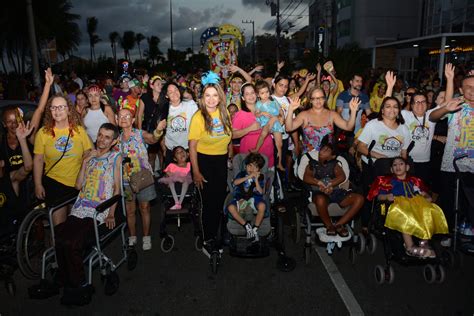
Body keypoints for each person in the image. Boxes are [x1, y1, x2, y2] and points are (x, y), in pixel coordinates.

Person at [30, 123, 122, 305]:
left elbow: (118, 189)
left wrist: (111, 213)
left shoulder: (116, 158)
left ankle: (78, 284)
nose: (102, 140)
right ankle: (66, 280)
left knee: (72, 242)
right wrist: (86, 161)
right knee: (61, 239)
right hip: (80, 207)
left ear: (114, 141)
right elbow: (78, 186)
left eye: (107, 137)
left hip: (99, 210)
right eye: (100, 135)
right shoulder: (89, 157)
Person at [367, 157, 448, 258]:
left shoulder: (414, 181)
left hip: (415, 204)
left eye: (401, 164)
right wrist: (387, 196)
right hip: (398, 206)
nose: (398, 167)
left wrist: (427, 197)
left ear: (407, 167)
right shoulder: (388, 182)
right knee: (406, 216)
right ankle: (409, 247)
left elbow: (423, 193)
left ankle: (423, 243)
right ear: (391, 170)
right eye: (394, 165)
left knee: (429, 211)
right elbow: (379, 196)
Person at [33, 89, 93, 225]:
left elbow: (90, 153)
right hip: (55, 183)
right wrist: (37, 184)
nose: (57, 110)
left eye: (61, 107)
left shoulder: (79, 131)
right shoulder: (43, 133)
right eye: (53, 107)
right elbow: (38, 160)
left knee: (75, 226)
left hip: (78, 184)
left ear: (68, 110)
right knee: (59, 226)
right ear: (50, 111)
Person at [188, 71, 232, 256]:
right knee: (208, 203)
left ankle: (218, 235)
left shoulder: (225, 112)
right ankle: (207, 239)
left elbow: (228, 137)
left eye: (215, 95)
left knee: (220, 200)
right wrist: (196, 172)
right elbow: (192, 146)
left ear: (220, 96)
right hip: (204, 161)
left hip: (220, 161)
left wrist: (229, 158)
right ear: (202, 97)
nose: (211, 99)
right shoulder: (199, 117)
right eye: (208, 95)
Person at [429, 74, 474, 243]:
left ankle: (467, 229)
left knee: (469, 203)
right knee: (449, 202)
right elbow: (433, 117)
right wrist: (446, 109)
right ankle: (448, 233)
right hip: (452, 164)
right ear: (461, 90)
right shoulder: (456, 105)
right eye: (468, 87)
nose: (472, 90)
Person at [357, 97, 411, 231]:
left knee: (397, 195)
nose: (392, 109)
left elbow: (404, 153)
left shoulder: (404, 128)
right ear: (382, 110)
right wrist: (377, 155)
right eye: (388, 106)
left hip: (395, 168)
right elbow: (360, 147)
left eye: (395, 106)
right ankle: (365, 225)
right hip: (373, 165)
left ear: (399, 110)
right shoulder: (373, 125)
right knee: (371, 195)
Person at [116, 107, 166, 250]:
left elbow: (153, 139)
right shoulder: (116, 140)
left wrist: (158, 130)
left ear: (132, 120)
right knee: (130, 210)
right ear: (117, 120)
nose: (124, 118)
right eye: (121, 116)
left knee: (145, 208)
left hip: (143, 179)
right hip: (126, 182)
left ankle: (146, 236)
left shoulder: (139, 134)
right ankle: (132, 237)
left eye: (127, 116)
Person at [302, 138, 364, 237]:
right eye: (323, 149)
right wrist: (319, 183)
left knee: (359, 199)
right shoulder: (312, 165)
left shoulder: (335, 165)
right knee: (320, 199)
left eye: (327, 150)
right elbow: (306, 177)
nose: (323, 150)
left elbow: (341, 176)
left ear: (332, 156)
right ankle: (329, 225)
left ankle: (339, 224)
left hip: (336, 192)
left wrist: (330, 184)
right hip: (320, 193)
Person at [286, 87, 360, 154]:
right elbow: (289, 128)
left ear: (324, 99)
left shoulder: (332, 114)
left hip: (328, 158)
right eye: (315, 98)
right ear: (310, 100)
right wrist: (290, 110)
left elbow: (349, 127)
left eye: (321, 97)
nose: (318, 100)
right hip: (309, 159)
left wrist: (353, 112)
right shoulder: (304, 115)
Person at [231, 83, 274, 168]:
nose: (251, 96)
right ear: (243, 98)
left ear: (256, 94)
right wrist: (250, 128)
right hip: (250, 156)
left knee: (268, 179)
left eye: (252, 92)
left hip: (268, 151)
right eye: (247, 94)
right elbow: (232, 135)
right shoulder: (240, 114)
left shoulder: (265, 108)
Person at [226, 153, 267, 240]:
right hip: (240, 198)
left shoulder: (260, 177)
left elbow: (261, 192)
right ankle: (246, 225)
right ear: (246, 166)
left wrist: (255, 180)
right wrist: (248, 177)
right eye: (249, 166)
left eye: (255, 167)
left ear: (259, 169)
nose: (251, 169)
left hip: (254, 199)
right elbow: (235, 183)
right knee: (230, 207)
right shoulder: (241, 174)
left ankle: (255, 228)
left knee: (262, 206)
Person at [252, 80, 285, 170]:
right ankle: (256, 148)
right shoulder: (258, 104)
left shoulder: (274, 102)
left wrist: (281, 117)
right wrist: (262, 113)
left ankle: (279, 163)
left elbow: (281, 112)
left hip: (276, 124)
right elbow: (256, 114)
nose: (265, 94)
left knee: (279, 144)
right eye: (262, 93)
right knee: (263, 134)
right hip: (267, 123)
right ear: (258, 95)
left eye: (266, 92)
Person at [163, 82, 198, 165]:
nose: (174, 93)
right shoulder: (164, 110)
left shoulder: (190, 105)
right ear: (166, 95)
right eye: (170, 92)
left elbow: (198, 126)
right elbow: (161, 133)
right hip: (171, 150)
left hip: (189, 149)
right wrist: (164, 149)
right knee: (172, 177)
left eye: (176, 90)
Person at [158, 146, 192, 210]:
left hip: (185, 180)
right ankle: (176, 202)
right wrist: (168, 174)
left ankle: (179, 203)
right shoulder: (172, 165)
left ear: (187, 155)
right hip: (174, 180)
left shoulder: (189, 165)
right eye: (178, 153)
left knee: (186, 181)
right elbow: (166, 174)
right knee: (170, 181)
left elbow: (192, 174)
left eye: (182, 151)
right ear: (175, 159)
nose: (181, 153)